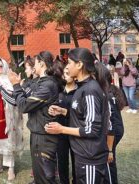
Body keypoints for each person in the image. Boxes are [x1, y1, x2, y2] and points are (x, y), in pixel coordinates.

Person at [45, 48, 110, 184]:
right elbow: (84, 115)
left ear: (79, 65)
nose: (67, 67)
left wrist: (61, 129)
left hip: (90, 157)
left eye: (69, 63)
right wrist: (63, 112)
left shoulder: (90, 90)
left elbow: (92, 129)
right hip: (82, 154)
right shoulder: (81, 88)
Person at [8, 51, 64, 184]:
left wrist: (16, 85)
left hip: (45, 137)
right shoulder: (41, 82)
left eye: (36, 63)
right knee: (39, 177)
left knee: (45, 178)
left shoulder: (47, 85)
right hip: (38, 134)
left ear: (42, 64)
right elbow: (23, 99)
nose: (34, 67)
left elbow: (24, 106)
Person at [54, 68, 77, 184]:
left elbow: (80, 115)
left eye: (68, 73)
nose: (66, 75)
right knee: (62, 163)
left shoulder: (79, 92)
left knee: (76, 162)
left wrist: (64, 111)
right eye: (64, 73)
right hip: (61, 134)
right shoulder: (59, 93)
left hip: (75, 133)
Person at [105, 67, 126, 184]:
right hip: (118, 128)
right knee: (110, 158)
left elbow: (111, 120)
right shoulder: (112, 90)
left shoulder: (107, 94)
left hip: (114, 130)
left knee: (109, 159)